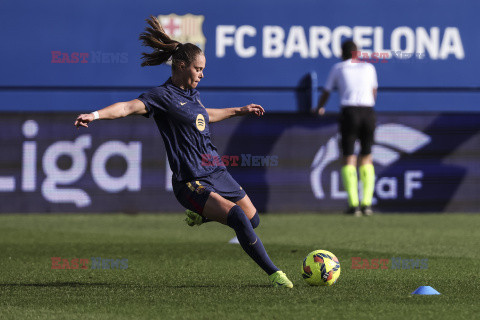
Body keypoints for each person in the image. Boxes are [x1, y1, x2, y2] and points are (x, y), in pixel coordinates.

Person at [74, 16, 293, 288]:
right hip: (191, 181)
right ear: (180, 66)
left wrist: (239, 110)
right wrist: (94, 115)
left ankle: (201, 214)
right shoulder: (161, 96)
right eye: (198, 69)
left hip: (216, 170)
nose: (202, 74)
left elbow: (204, 116)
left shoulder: (193, 95)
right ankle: (275, 274)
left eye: (203, 69)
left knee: (253, 219)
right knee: (237, 217)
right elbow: (127, 107)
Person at [315, 40, 377, 217]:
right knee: (367, 157)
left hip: (349, 113)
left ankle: (353, 205)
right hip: (368, 112)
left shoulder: (339, 68)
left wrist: (319, 107)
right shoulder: (369, 68)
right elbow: (373, 92)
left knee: (348, 158)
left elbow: (326, 91)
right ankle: (367, 204)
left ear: (342, 52)